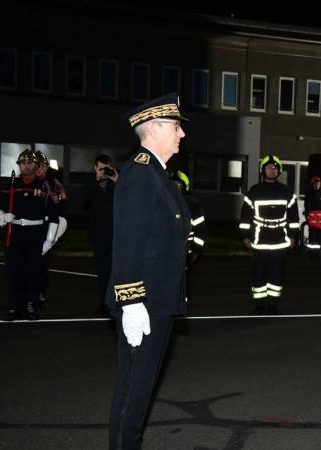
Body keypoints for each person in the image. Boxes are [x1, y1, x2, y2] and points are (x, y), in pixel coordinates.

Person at [107, 93, 191, 449]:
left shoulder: (157, 173)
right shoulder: (140, 174)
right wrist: (131, 301)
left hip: (158, 299)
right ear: (154, 129)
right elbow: (128, 240)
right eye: (176, 126)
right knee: (133, 390)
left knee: (141, 390)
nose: (182, 135)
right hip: (144, 303)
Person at [0, 149, 59, 321]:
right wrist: (2, 217)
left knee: (31, 272)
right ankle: (14, 306)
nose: (26, 166)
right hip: (14, 235)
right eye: (23, 163)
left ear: (36, 165)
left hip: (35, 235)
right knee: (14, 272)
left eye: (30, 163)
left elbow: (53, 216)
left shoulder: (44, 187)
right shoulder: (11, 186)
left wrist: (49, 239)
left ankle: (29, 304)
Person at [239, 154, 300, 315]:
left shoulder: (286, 192)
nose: (271, 170)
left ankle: (273, 305)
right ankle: (259, 305)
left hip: (280, 241)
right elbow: (245, 216)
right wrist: (245, 236)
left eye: (274, 168)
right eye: (268, 168)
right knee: (259, 274)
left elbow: (294, 218)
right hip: (259, 241)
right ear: (262, 170)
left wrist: (294, 236)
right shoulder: (254, 191)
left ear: (278, 171)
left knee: (276, 275)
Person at [82, 154, 118, 315]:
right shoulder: (90, 184)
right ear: (95, 168)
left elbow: (129, 199)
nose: (104, 171)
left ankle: (114, 302)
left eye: (106, 168)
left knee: (114, 270)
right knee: (102, 270)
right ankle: (104, 302)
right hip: (98, 234)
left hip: (115, 234)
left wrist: (117, 180)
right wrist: (96, 181)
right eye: (101, 168)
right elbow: (84, 204)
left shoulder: (116, 183)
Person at [34, 150, 68, 308]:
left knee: (41, 262)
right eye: (36, 165)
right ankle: (26, 293)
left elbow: (62, 204)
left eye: (41, 166)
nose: (39, 169)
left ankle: (40, 294)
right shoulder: (28, 181)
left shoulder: (54, 183)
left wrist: (57, 200)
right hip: (30, 227)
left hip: (48, 226)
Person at [172, 170, 207, 301]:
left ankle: (182, 303)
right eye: (173, 184)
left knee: (183, 280)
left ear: (184, 186)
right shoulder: (162, 201)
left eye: (179, 185)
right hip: (165, 250)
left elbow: (200, 228)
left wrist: (196, 250)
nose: (176, 187)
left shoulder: (192, 203)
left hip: (186, 250)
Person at [303, 176, 321, 260]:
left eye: (319, 184)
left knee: (319, 236)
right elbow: (307, 206)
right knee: (313, 236)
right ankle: (312, 253)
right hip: (312, 217)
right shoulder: (309, 195)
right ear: (312, 185)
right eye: (315, 184)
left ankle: (317, 253)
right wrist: (307, 215)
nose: (317, 185)